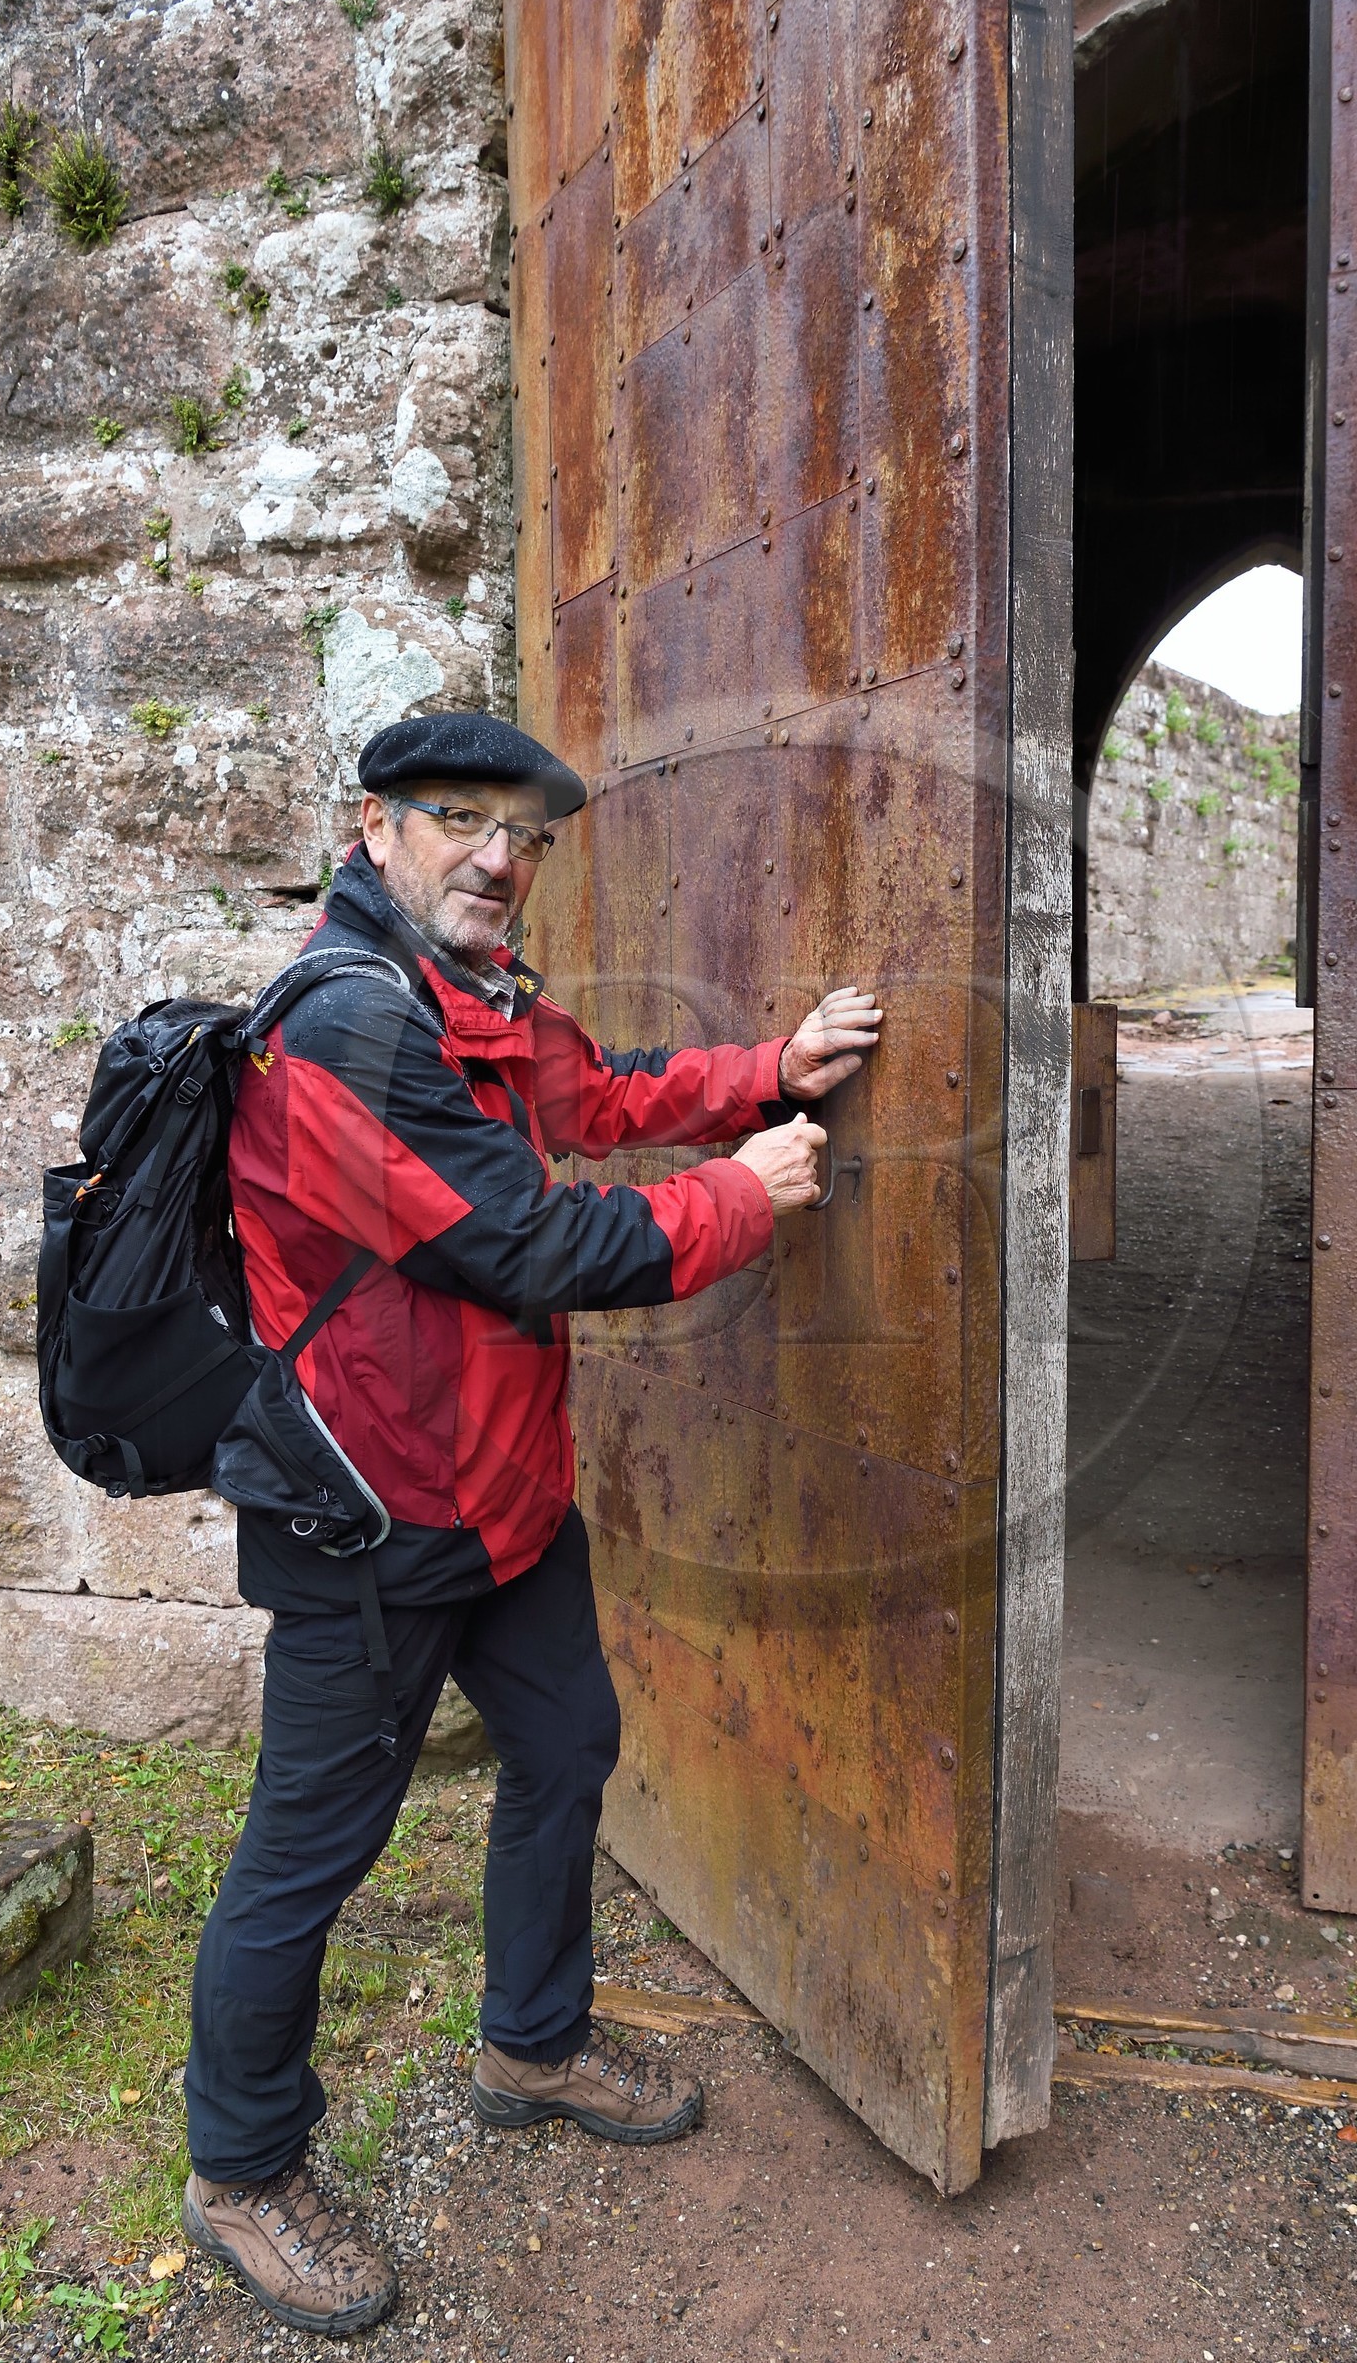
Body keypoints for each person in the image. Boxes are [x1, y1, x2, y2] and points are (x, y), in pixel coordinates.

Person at [179, 712, 882, 2335]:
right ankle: (243, 2170)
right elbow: (522, 1245)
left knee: (566, 1748)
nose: (501, 855)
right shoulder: (349, 1031)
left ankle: (532, 2042)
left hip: (501, 1496)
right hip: (372, 1517)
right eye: (459, 819)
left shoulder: (472, 999)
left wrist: (762, 1071)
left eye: (526, 831)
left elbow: (602, 1093)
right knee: (309, 1854)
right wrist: (740, 1195)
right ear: (374, 827)